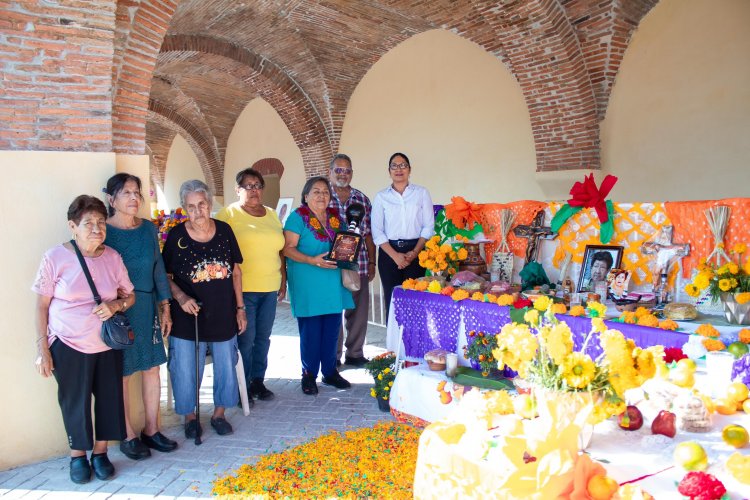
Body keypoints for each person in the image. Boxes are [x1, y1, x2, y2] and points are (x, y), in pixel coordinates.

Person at [33, 195, 135, 484]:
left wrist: (115, 306)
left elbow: (130, 295)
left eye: (101, 222)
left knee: (108, 398)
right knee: (74, 400)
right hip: (66, 343)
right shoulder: (55, 257)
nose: (96, 228)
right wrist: (43, 347)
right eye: (88, 223)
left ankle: (101, 453)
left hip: (107, 343)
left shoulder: (113, 258)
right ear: (72, 227)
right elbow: (42, 305)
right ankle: (77, 456)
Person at [162, 180, 246, 438]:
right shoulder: (176, 236)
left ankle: (219, 414)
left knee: (225, 365)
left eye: (201, 204)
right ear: (184, 209)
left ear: (209, 204)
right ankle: (190, 417)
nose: (197, 211)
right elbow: (165, 276)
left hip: (222, 311)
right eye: (191, 207)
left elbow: (236, 272)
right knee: (186, 367)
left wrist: (240, 308)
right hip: (189, 315)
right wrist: (180, 296)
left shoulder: (224, 230)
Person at [103, 173, 177, 460]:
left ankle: (152, 429)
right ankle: (127, 434)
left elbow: (158, 268)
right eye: (126, 193)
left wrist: (166, 306)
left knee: (152, 368)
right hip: (119, 310)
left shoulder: (147, 229)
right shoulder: (104, 231)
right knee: (122, 373)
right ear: (112, 199)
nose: (134, 198)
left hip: (147, 307)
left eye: (137, 193)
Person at [216, 168, 286, 405]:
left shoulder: (272, 214)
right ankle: (241, 385)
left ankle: (257, 380)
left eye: (258, 185)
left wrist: (283, 279)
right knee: (246, 338)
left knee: (263, 338)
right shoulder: (228, 215)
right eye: (249, 185)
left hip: (269, 286)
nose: (254, 190)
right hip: (242, 289)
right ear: (238, 190)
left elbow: (281, 250)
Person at [283, 176, 354, 395]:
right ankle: (309, 375)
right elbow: (287, 249)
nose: (321, 195)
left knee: (332, 329)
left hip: (332, 282)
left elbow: (344, 243)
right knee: (311, 331)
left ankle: (330, 372)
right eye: (316, 191)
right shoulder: (297, 218)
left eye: (325, 192)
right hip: (308, 282)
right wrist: (312, 260)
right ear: (306, 196)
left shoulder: (335, 218)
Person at [371, 152, 434, 319]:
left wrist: (414, 253)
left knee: (415, 300)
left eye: (403, 165)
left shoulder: (421, 193)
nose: (399, 169)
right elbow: (377, 231)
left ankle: (413, 342)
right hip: (389, 252)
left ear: (409, 169)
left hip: (416, 251)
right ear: (389, 170)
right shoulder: (381, 197)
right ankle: (393, 343)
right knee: (392, 299)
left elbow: (428, 226)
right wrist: (396, 256)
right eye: (394, 166)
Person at [327, 154, 376, 367]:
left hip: (360, 262)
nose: (342, 174)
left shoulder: (362, 199)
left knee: (358, 309)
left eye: (347, 170)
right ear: (330, 172)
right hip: (330, 264)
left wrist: (372, 263)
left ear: (352, 173)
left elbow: (369, 235)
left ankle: (355, 353)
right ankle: (333, 355)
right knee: (332, 309)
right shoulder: (321, 196)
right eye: (338, 170)